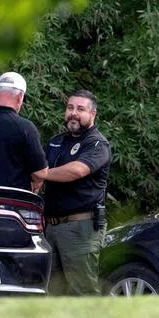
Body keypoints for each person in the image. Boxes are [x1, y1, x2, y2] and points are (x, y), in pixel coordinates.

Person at [35, 90, 112, 295]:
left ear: (93, 114)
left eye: (80, 109)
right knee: (52, 291)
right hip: (51, 227)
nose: (73, 113)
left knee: (82, 291)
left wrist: (41, 174)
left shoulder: (97, 144)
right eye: (70, 108)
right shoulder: (56, 141)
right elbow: (39, 176)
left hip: (80, 228)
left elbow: (76, 171)